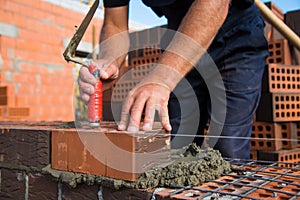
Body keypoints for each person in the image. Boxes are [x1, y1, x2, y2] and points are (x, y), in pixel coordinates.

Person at [78, 0, 269, 159]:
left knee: (227, 148)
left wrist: (161, 78)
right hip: (179, 40)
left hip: (234, 37)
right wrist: (109, 62)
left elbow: (214, 3)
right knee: (178, 145)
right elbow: (115, 24)